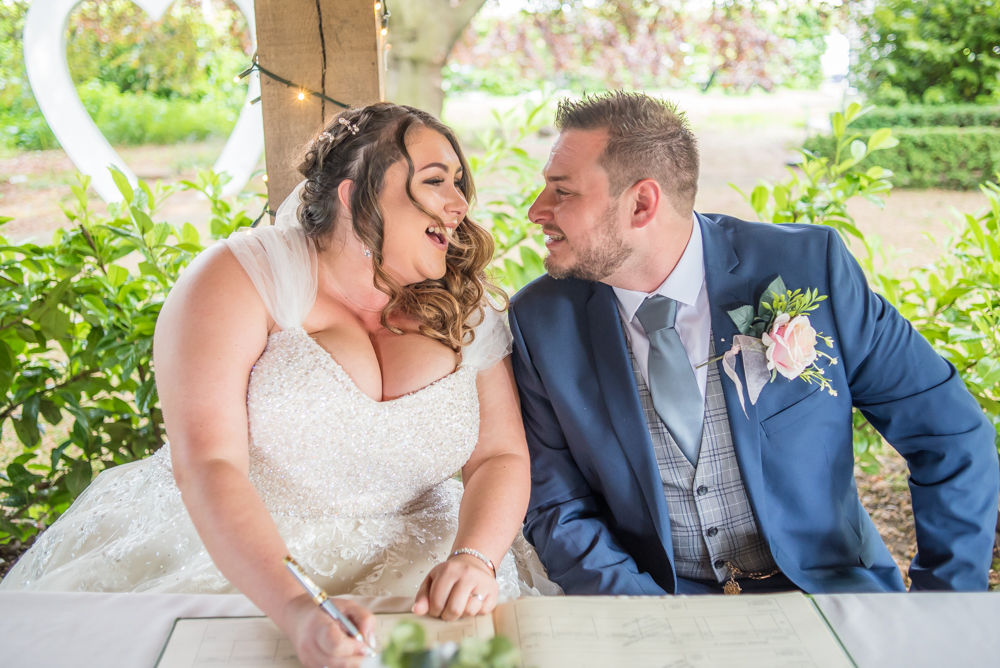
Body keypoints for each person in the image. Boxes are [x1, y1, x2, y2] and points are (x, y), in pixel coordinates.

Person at [2, 102, 557, 667]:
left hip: (429, 567)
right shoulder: (240, 278)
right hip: (241, 558)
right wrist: (294, 608)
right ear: (354, 196)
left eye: (459, 183)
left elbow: (499, 456)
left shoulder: (466, 305)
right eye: (435, 181)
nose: (459, 204)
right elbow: (210, 464)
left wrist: (476, 557)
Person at [508, 90, 999, 596]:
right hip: (658, 603)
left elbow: (950, 433)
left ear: (641, 203)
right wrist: (651, 617)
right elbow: (557, 506)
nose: (536, 211)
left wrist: (944, 604)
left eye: (562, 192)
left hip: (830, 594)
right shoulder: (541, 321)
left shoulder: (809, 268)